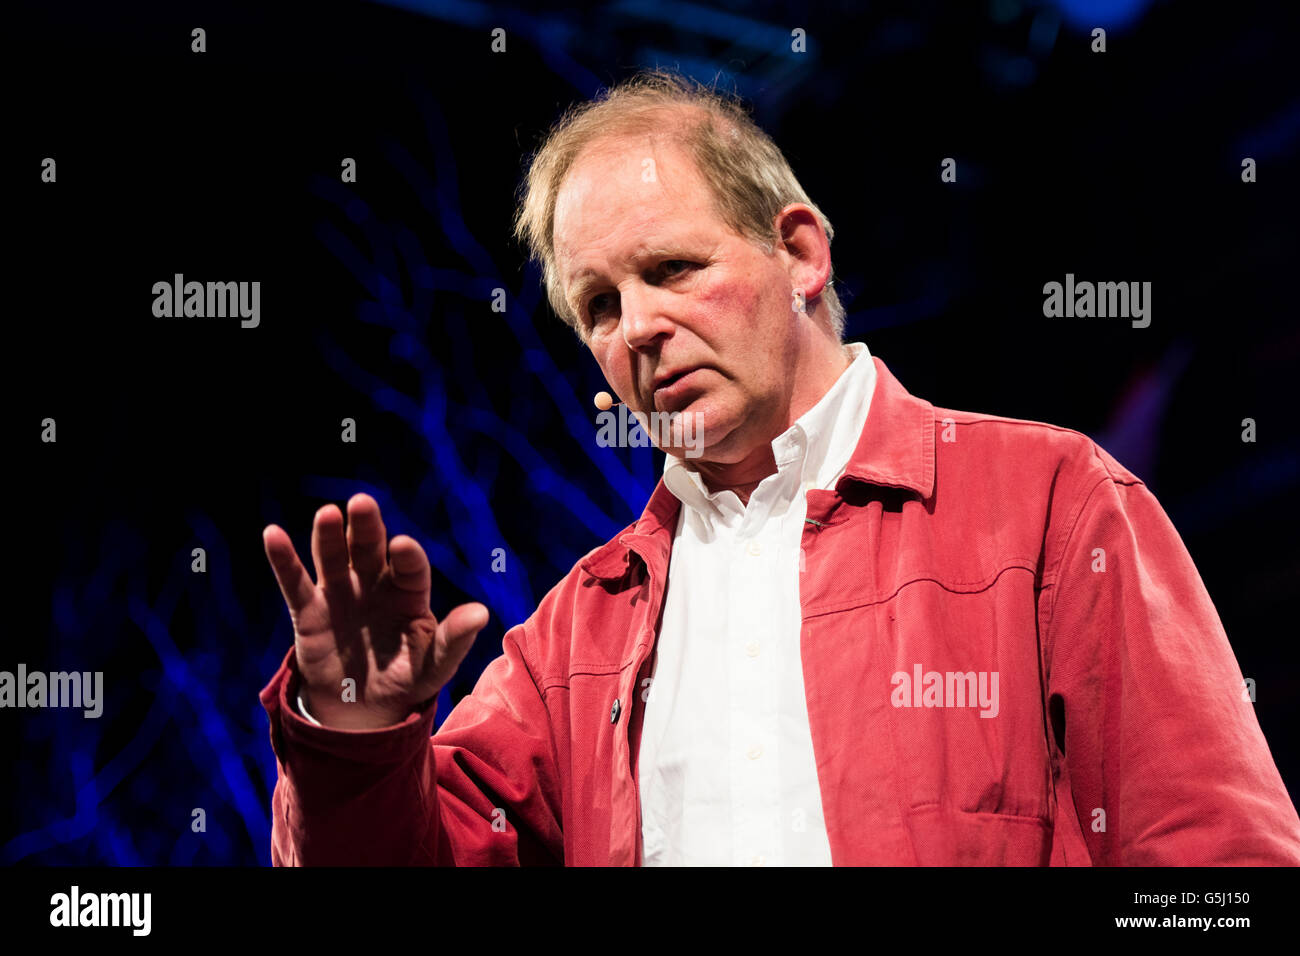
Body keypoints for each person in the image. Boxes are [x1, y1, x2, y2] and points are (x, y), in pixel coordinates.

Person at [258, 69, 1300, 866]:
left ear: (800, 251)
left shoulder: (1051, 506)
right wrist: (352, 728)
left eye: (672, 269)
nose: (640, 328)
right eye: (600, 305)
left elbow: (1212, 861)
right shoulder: (573, 638)